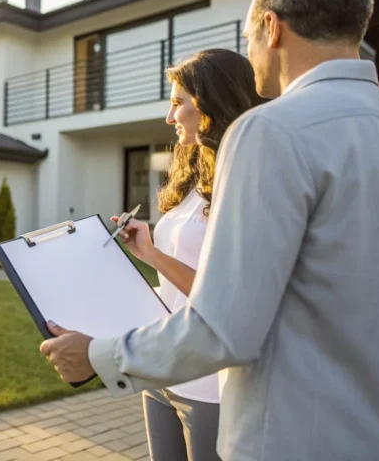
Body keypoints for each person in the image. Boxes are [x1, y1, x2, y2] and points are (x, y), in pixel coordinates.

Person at [39, 0, 379, 460]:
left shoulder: (269, 130)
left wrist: (97, 354)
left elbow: (222, 327)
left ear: (271, 27)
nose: (249, 55)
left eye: (248, 37)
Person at [113, 49, 265, 461]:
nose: (170, 117)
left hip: (210, 381)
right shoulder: (195, 179)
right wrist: (145, 248)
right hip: (166, 365)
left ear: (210, 103)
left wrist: (157, 258)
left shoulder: (247, 182)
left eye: (177, 103)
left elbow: (223, 296)